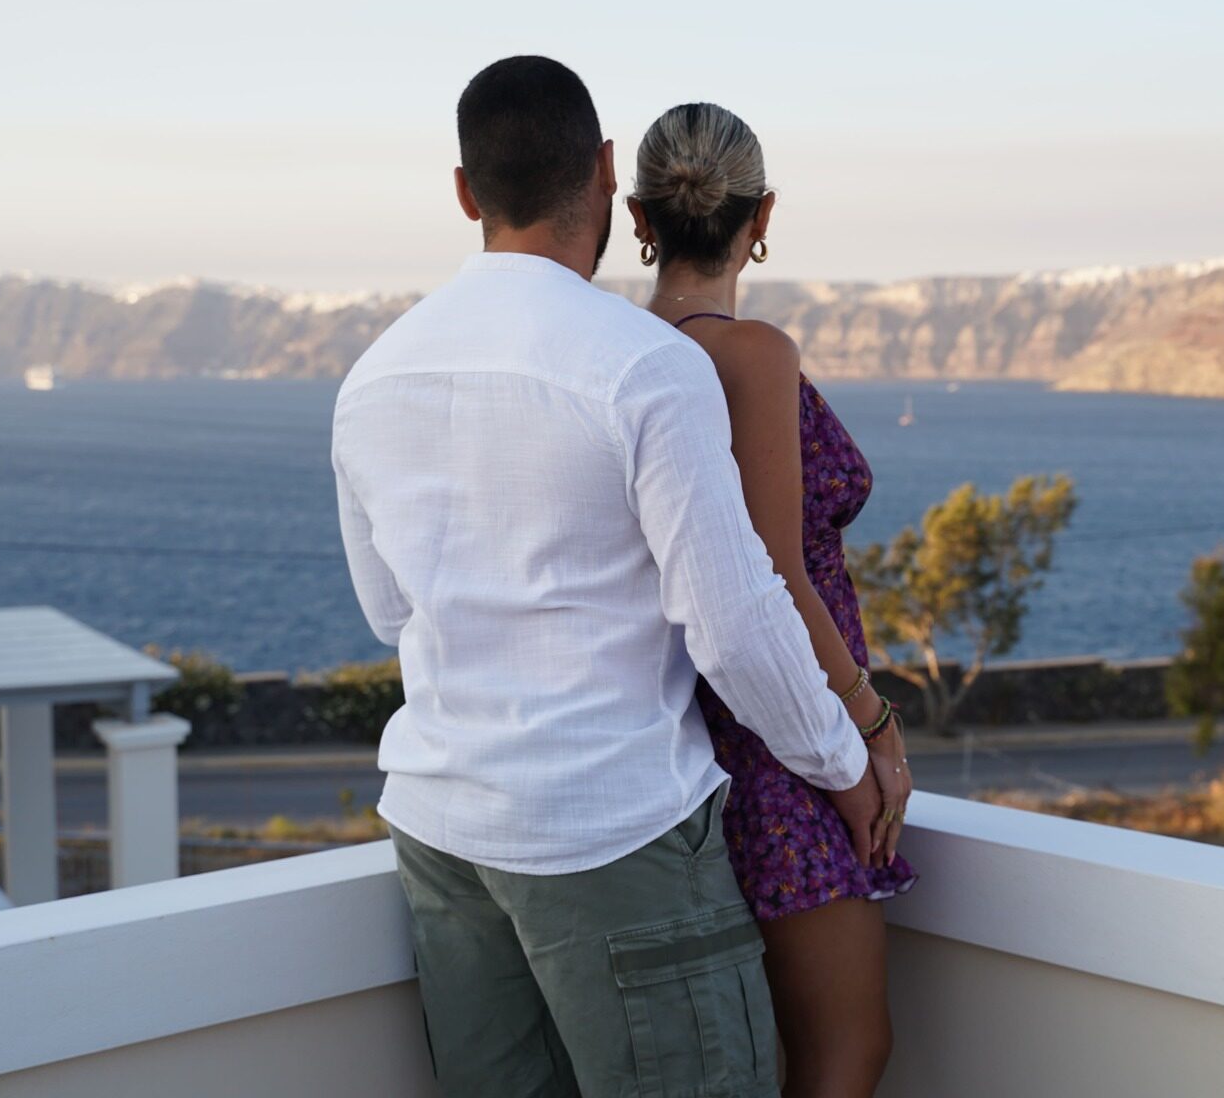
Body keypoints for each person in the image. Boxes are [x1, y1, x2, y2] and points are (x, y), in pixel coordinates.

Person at [331, 56, 891, 1098]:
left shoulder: (374, 378)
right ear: (599, 170)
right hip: (610, 831)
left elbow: (388, 609)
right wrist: (844, 757)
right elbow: (733, 621)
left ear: (465, 193)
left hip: (446, 833)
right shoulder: (638, 363)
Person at [629, 102, 918, 1098]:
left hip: (675, 730)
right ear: (764, 215)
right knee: (845, 1050)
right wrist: (870, 724)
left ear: (641, 215)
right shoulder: (750, 352)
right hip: (779, 739)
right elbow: (777, 570)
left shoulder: (612, 350)